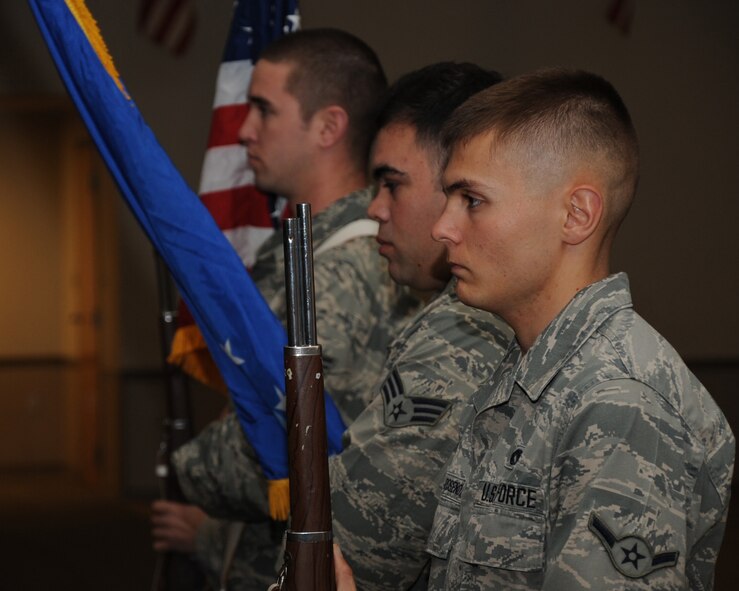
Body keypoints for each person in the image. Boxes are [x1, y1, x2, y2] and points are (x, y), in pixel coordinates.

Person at [168, 62, 513, 591]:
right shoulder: (450, 308)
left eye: (392, 185)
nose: (375, 207)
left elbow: (354, 540)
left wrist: (187, 474)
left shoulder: (461, 329)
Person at [415, 67, 734, 589]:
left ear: (576, 215)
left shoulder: (619, 401)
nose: (442, 228)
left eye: (471, 200)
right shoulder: (529, 367)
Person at [151, 28, 420, 590]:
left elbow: (302, 446)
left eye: (264, 110)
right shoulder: (309, 252)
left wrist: (183, 471)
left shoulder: (342, 269)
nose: (243, 130)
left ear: (328, 127)